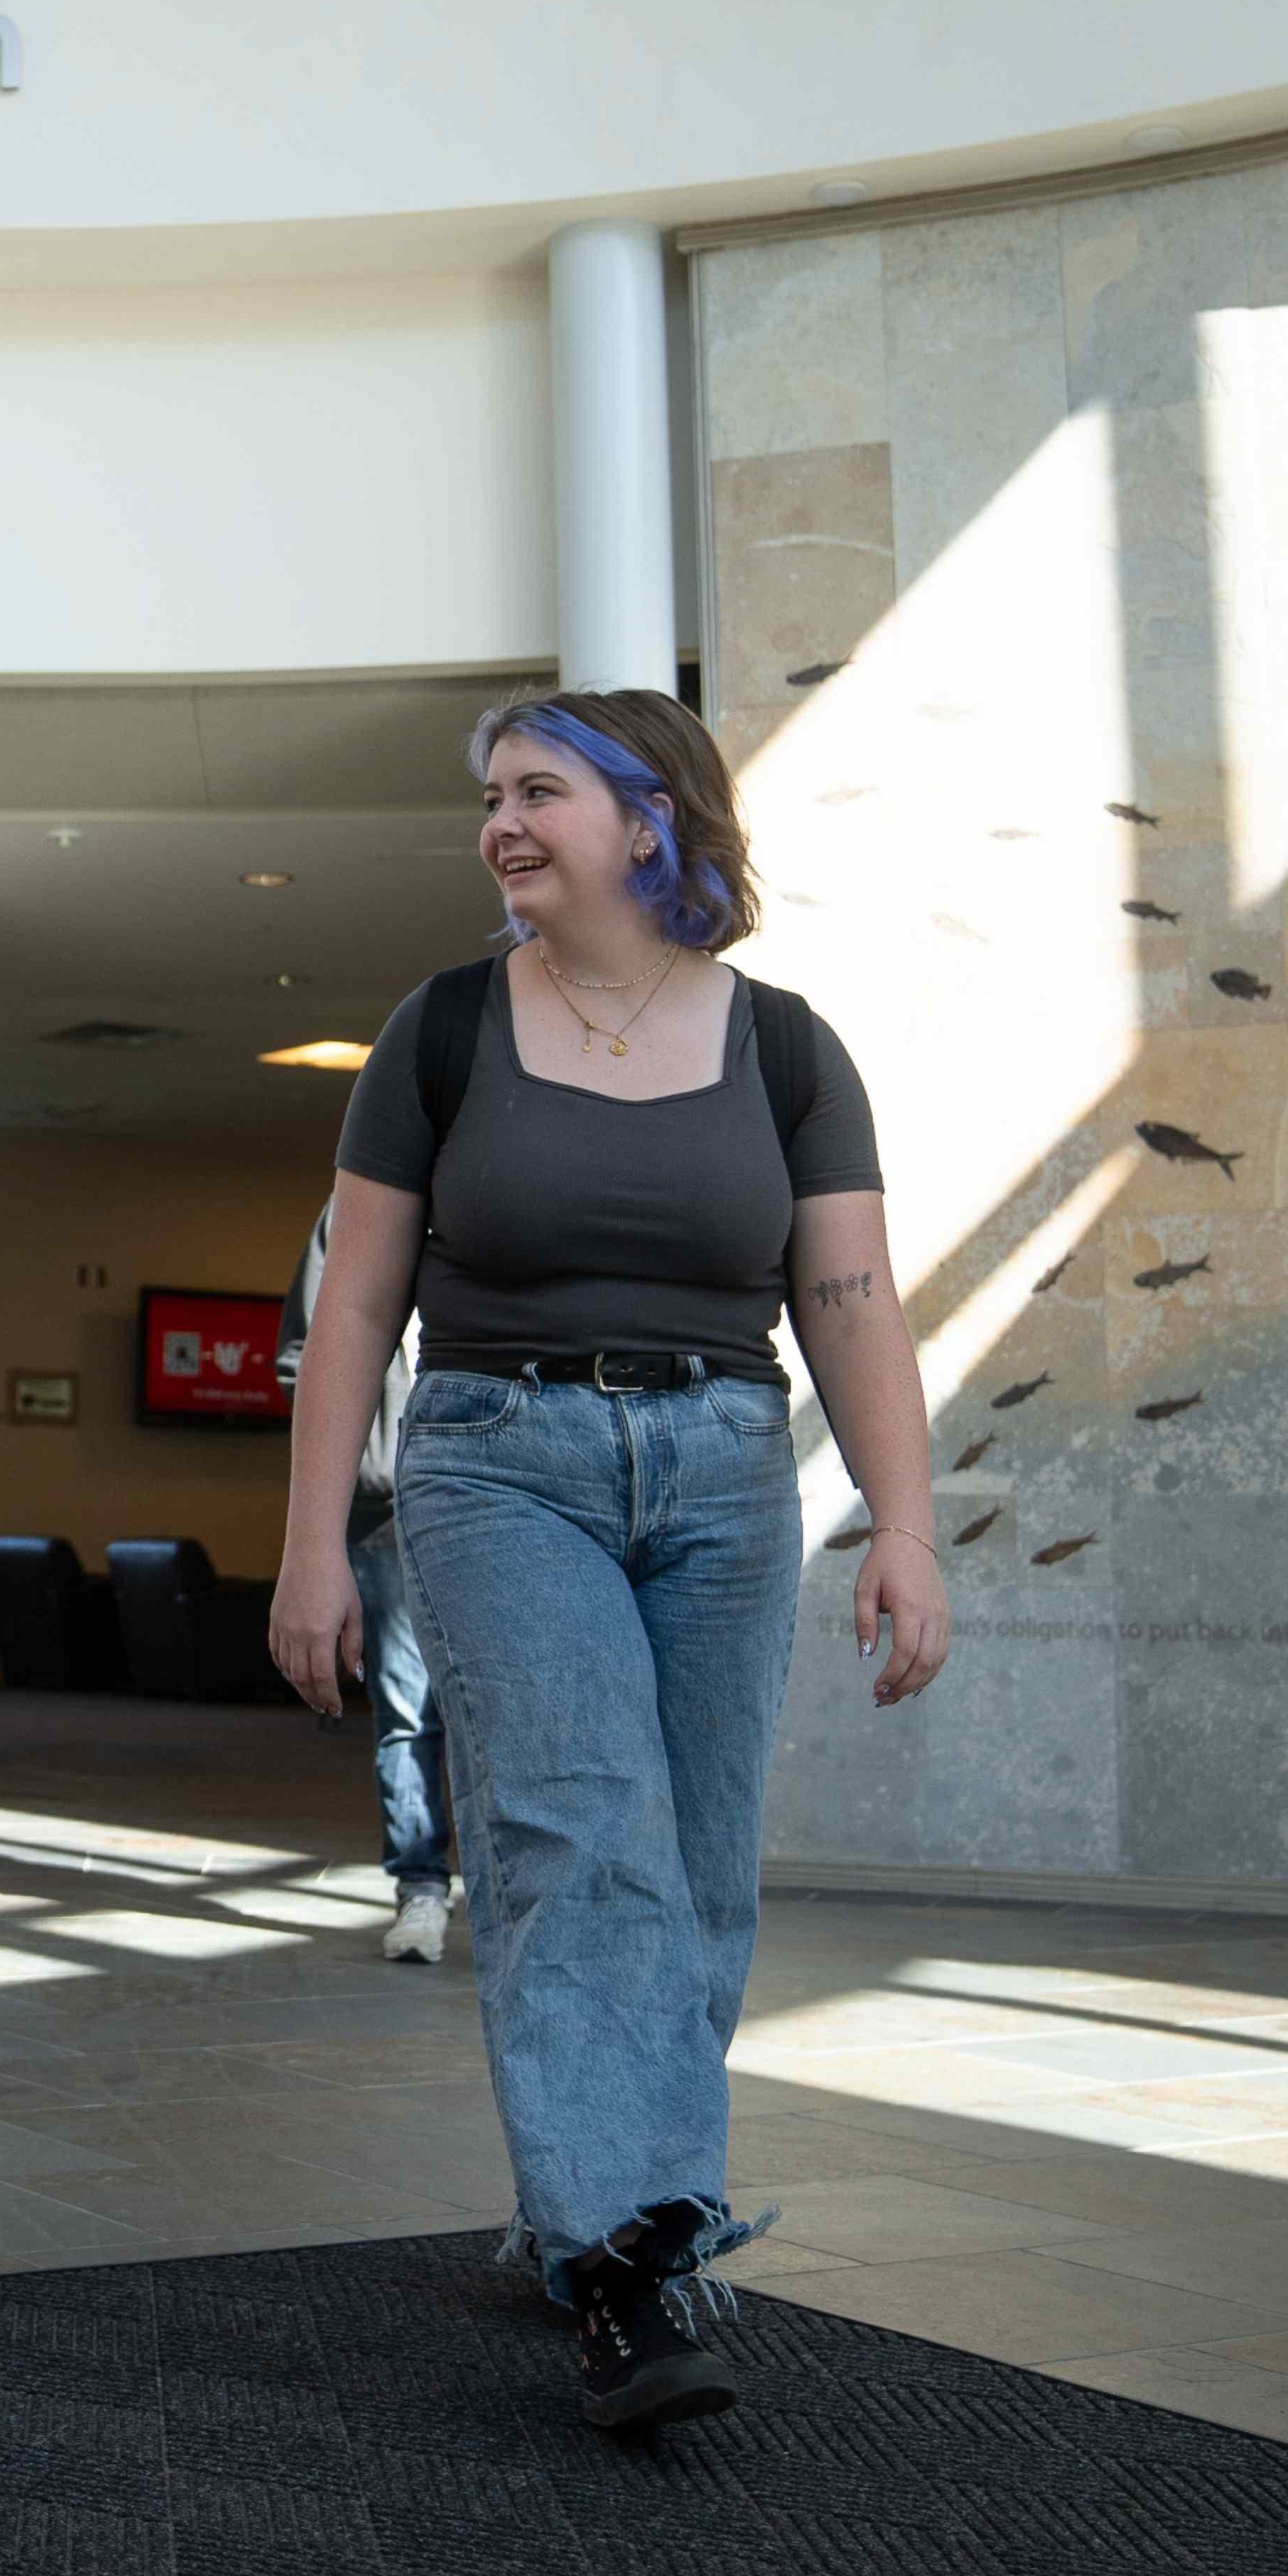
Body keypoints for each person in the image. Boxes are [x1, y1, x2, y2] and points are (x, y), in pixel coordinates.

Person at [271, 686, 949, 2435]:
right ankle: (633, 2264)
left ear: (650, 816)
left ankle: (594, 2198)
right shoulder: (441, 1031)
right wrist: (310, 1551)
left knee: (702, 1870)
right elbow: (355, 1297)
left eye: (538, 788)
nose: (501, 821)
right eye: (491, 794)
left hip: (726, 1465)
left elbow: (851, 1300)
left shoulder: (787, 1047)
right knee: (576, 1833)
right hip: (500, 1462)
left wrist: (906, 1523)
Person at [280, 1201, 450, 1964]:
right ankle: (421, 1890)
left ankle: (520, 1894)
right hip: (390, 1507)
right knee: (407, 1708)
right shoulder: (355, 1208)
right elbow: (304, 1354)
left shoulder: (519, 1169)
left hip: (514, 1496)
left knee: (516, 1714)